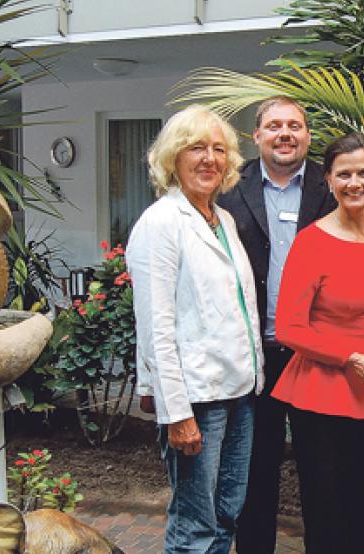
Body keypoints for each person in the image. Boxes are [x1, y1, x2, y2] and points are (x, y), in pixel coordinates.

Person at [127, 105, 264, 554]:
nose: (209, 158)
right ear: (172, 157)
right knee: (195, 524)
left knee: (227, 512)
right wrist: (176, 412)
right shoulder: (161, 223)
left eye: (218, 149)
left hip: (238, 391)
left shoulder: (222, 219)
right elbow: (155, 327)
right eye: (196, 147)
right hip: (197, 399)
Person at [272, 133, 364, 553]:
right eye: (344, 174)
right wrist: (350, 358)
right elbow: (288, 329)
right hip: (322, 392)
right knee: (327, 510)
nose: (355, 182)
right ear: (328, 180)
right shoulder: (311, 242)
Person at [216, 95, 336, 553]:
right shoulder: (229, 189)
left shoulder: (330, 189)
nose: (286, 134)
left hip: (314, 353)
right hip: (255, 355)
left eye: (295, 125)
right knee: (255, 471)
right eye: (275, 126)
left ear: (307, 135)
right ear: (257, 136)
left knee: (320, 470)